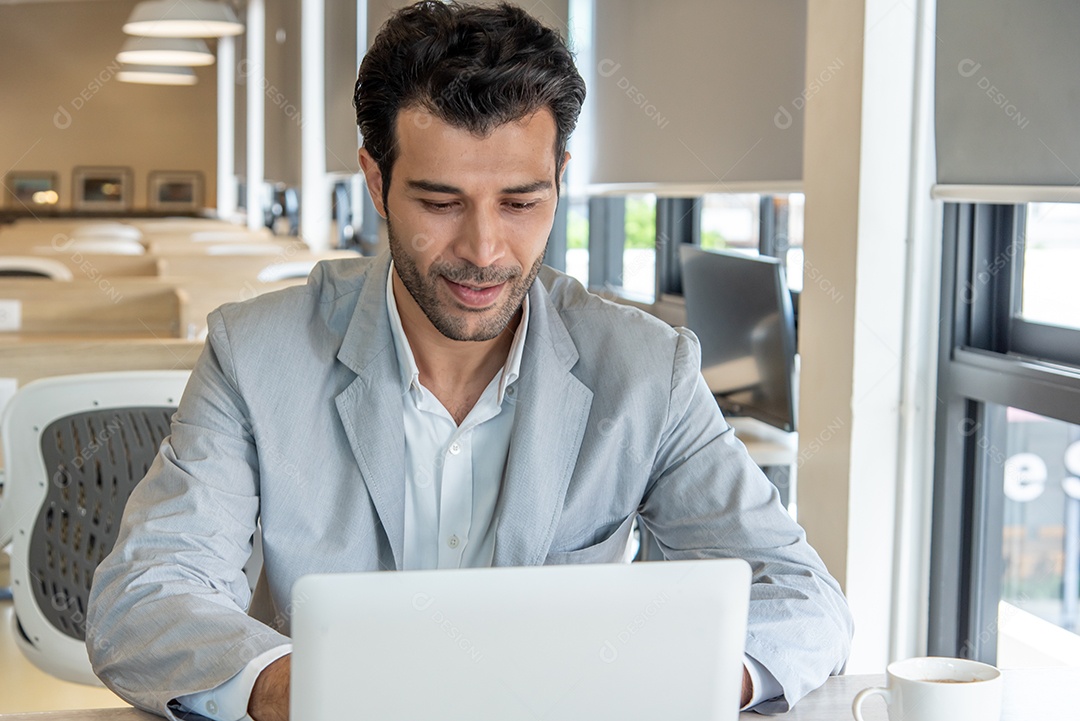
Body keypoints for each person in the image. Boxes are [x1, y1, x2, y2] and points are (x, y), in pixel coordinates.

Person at [86, 2, 853, 719]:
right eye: (441, 202)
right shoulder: (254, 355)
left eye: (521, 202)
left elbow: (803, 597)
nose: (485, 251)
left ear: (560, 180)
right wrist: (323, 688)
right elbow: (145, 598)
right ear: (377, 182)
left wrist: (674, 675)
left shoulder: (648, 369)